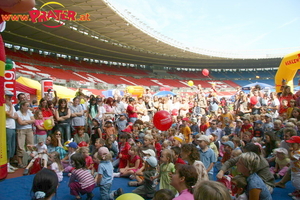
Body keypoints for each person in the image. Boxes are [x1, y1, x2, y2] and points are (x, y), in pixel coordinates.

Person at [16, 101, 35, 168]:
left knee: (30, 145)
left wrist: (25, 121)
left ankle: (30, 161)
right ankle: (20, 162)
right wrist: (29, 122)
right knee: (20, 146)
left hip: (29, 130)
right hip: (21, 130)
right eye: (27, 106)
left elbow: (33, 120)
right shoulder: (18, 113)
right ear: (22, 106)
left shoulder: (29, 112)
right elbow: (20, 123)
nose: (28, 107)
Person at [5, 90, 18, 173]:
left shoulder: (11, 106)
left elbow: (16, 116)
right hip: (7, 127)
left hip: (13, 127)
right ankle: (6, 165)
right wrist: (10, 107)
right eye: (8, 97)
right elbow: (9, 114)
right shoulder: (5, 106)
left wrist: (12, 115)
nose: (10, 99)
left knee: (12, 147)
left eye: (11, 97)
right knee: (8, 147)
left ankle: (9, 164)